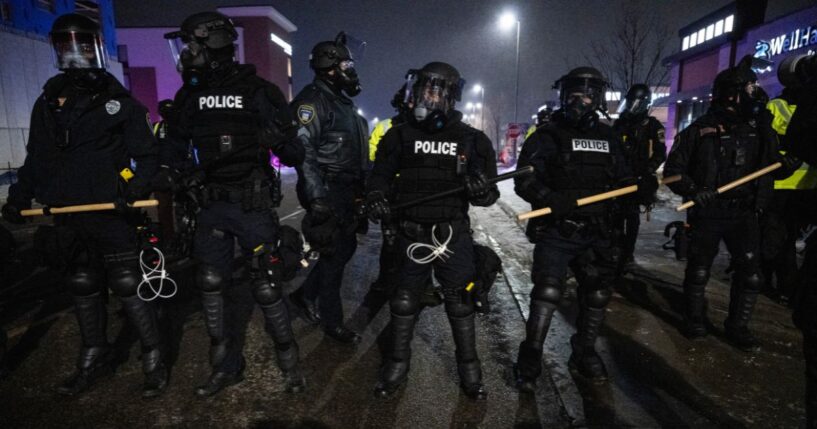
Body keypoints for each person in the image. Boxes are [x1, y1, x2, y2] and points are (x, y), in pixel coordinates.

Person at [0, 13, 168, 397]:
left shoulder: (119, 102)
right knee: (82, 283)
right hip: (68, 214)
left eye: (83, 44)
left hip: (112, 213)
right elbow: (37, 157)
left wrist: (133, 189)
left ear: (98, 48)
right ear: (56, 49)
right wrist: (19, 196)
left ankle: (154, 359)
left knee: (127, 284)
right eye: (65, 45)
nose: (75, 53)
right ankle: (94, 356)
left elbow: (147, 155)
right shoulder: (49, 102)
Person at [164, 11, 306, 396]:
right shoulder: (188, 96)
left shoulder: (260, 92)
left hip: (252, 203)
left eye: (190, 45)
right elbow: (172, 149)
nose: (185, 54)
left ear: (213, 43)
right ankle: (225, 367)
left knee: (266, 284)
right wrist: (179, 173)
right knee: (211, 283)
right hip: (209, 204)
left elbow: (294, 153)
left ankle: (290, 364)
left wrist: (276, 138)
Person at [512, 67, 657, 391]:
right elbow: (524, 178)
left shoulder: (609, 138)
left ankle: (584, 351)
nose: (580, 100)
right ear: (563, 96)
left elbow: (623, 179)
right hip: (558, 229)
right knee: (547, 292)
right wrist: (549, 197)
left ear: (599, 98)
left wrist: (642, 185)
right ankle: (530, 358)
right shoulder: (547, 135)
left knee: (597, 292)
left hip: (598, 231)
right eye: (574, 93)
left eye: (588, 93)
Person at [366, 62, 499, 400]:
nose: (432, 96)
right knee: (405, 300)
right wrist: (377, 197)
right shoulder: (399, 134)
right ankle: (396, 364)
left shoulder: (473, 140)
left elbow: (489, 196)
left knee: (461, 302)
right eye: (427, 89)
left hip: (451, 234)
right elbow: (378, 177)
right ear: (418, 91)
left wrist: (481, 189)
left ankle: (470, 370)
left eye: (440, 90)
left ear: (451, 96)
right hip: (411, 232)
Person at [664, 55, 800, 351]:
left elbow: (774, 165)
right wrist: (694, 189)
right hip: (709, 212)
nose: (755, 92)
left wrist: (787, 163)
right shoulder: (700, 130)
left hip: (744, 213)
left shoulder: (759, 128)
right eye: (750, 87)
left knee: (751, 275)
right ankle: (694, 318)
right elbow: (674, 172)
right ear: (731, 93)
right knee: (699, 269)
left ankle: (738, 327)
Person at [288, 32, 368, 344]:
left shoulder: (340, 102)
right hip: (328, 190)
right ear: (330, 68)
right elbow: (304, 154)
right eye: (346, 63)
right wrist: (317, 197)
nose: (351, 70)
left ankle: (303, 295)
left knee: (345, 249)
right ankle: (333, 323)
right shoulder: (311, 102)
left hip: (347, 190)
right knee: (334, 257)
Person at [613, 84, 666, 267]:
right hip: (619, 178)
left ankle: (628, 251)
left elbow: (660, 153)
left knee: (631, 216)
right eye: (630, 102)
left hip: (638, 178)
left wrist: (648, 170)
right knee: (615, 216)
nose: (631, 106)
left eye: (636, 103)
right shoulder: (620, 124)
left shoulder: (652, 125)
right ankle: (616, 248)